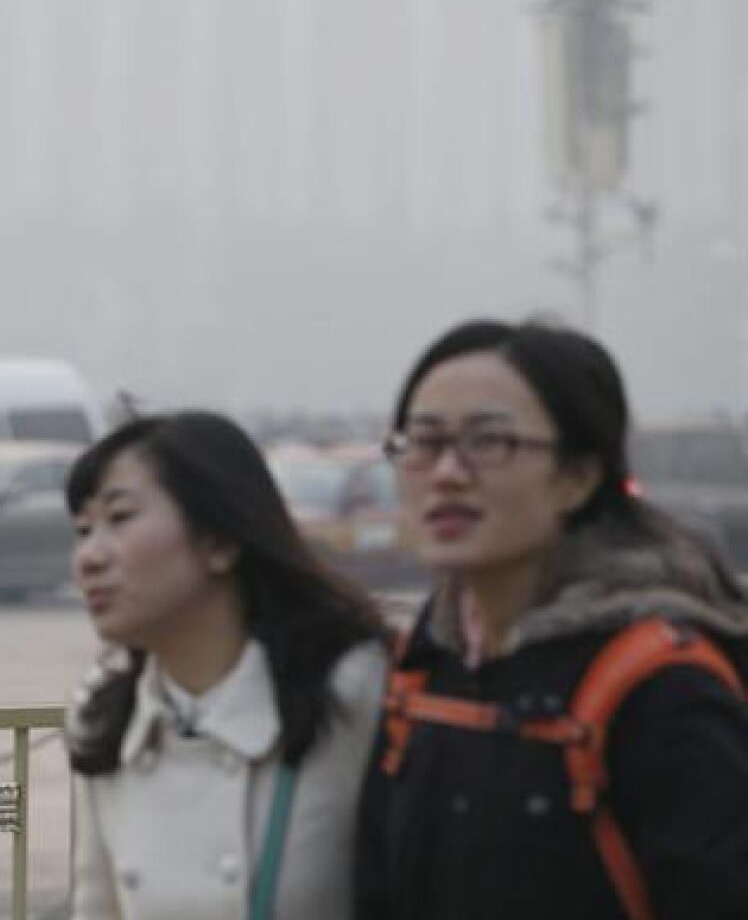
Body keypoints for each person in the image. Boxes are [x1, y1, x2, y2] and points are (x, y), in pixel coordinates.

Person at [354, 318, 748, 919]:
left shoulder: (661, 689)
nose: (446, 473)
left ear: (578, 478)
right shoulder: (423, 673)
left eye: (489, 441)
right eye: (424, 442)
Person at [67, 412, 389, 920]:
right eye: (83, 530)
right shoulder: (108, 722)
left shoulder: (352, 689)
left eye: (120, 517)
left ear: (219, 541)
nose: (89, 556)